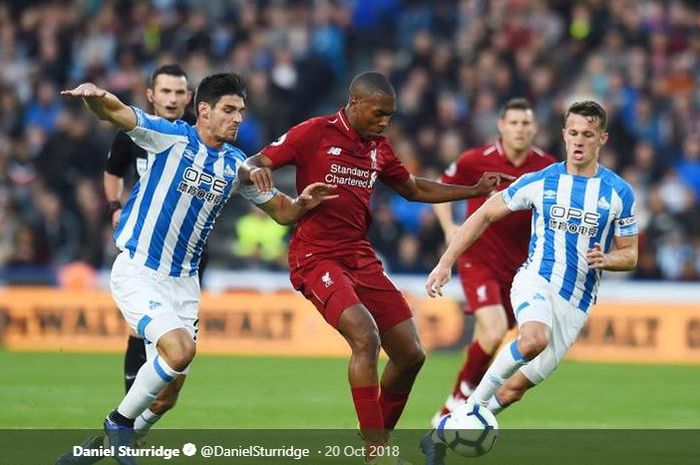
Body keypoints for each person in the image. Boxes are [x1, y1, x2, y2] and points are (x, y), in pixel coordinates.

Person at [57, 73, 337, 465]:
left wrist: (305, 202)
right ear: (202, 111)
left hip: (184, 284)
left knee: (168, 395)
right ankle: (118, 423)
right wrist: (94, 98)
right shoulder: (167, 136)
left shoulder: (237, 166)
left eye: (241, 111)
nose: (237, 119)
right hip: (138, 269)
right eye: (228, 110)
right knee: (179, 350)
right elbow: (115, 113)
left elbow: (282, 213)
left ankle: (97, 453)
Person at [239, 71, 512, 465]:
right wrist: (256, 172)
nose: (385, 122)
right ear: (354, 103)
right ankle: (377, 452)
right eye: (379, 113)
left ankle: (372, 446)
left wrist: (474, 190)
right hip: (316, 257)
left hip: (359, 256)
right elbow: (255, 161)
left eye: (390, 116)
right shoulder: (314, 132)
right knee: (365, 338)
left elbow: (413, 188)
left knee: (411, 354)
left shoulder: (378, 148)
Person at [424, 101, 638, 464]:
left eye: (588, 134)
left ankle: (440, 435)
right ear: (564, 135)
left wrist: (609, 259)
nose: (579, 141)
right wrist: (446, 262)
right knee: (532, 339)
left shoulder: (619, 193)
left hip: (576, 303)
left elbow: (630, 253)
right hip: (535, 278)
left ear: (603, 138)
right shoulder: (542, 180)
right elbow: (484, 214)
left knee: (514, 389)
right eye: (572, 133)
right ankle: (466, 409)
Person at [428, 98, 555, 426]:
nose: (520, 129)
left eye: (526, 123)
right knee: (495, 328)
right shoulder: (475, 160)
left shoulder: (548, 166)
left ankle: (457, 409)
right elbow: (443, 188)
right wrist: (448, 227)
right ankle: (453, 407)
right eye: (513, 123)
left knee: (487, 340)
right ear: (501, 126)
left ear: (534, 128)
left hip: (521, 269)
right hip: (478, 258)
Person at [103, 63, 195, 437]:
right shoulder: (133, 132)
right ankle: (124, 417)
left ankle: (123, 430)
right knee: (141, 332)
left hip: (185, 260)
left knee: (172, 388)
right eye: (166, 92)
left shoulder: (195, 138)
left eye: (179, 92)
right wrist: (115, 206)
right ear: (151, 96)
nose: (173, 99)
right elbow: (113, 171)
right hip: (144, 249)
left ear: (189, 98)